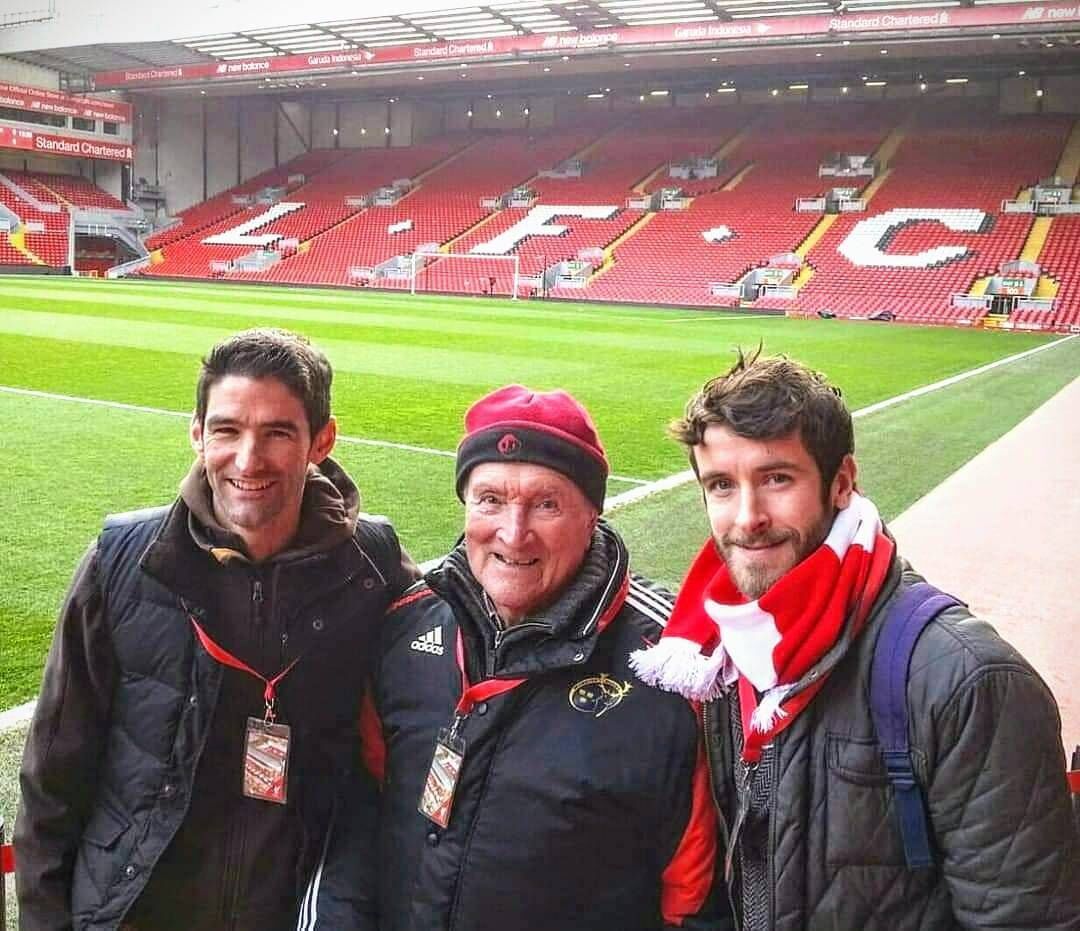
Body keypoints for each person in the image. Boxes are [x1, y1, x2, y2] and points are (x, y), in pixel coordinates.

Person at [632, 349, 1080, 930]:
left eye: (776, 479)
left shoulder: (967, 680)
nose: (747, 517)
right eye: (721, 485)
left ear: (842, 482)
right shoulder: (717, 651)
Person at [15, 328, 418, 931]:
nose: (248, 459)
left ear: (322, 441)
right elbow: (53, 773)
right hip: (131, 908)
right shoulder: (121, 559)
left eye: (278, 432)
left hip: (293, 910)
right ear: (198, 434)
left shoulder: (372, 563)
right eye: (227, 430)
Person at [304, 384, 720, 931]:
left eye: (547, 504)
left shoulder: (670, 668)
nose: (513, 533)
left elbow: (697, 902)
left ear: (593, 513)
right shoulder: (406, 625)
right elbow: (362, 812)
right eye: (490, 499)